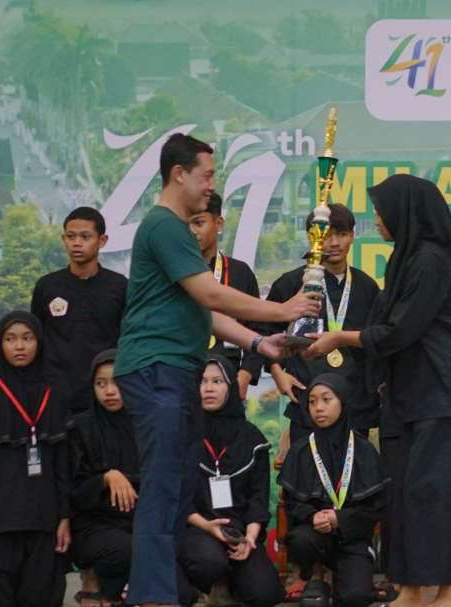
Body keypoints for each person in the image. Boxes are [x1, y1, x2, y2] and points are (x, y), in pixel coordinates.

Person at [114, 133, 319, 607]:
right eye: (206, 175)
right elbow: (210, 294)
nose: (212, 185)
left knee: (176, 488)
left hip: (176, 371)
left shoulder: (174, 230)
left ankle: (155, 592)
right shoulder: (165, 226)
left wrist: (258, 341)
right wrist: (282, 310)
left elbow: (201, 312)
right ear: (178, 174)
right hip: (156, 369)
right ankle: (152, 597)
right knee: (164, 489)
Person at [303, 174, 451, 607]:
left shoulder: (430, 260)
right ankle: (407, 588)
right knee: (403, 492)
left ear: (406, 214)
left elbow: (399, 330)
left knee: (433, 492)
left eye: (383, 212)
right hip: (408, 395)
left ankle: (447, 591)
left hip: (446, 394)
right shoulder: (403, 260)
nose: (378, 221)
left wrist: (339, 337)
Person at [260, 203, 380, 439]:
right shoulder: (291, 283)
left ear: (352, 236)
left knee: (353, 474)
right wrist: (277, 372)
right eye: (325, 236)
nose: (333, 243)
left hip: (356, 406)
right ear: (311, 237)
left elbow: (377, 341)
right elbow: (263, 334)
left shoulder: (368, 287)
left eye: (341, 234)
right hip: (306, 401)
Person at [0, 311, 73, 606]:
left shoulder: (54, 394)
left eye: (27, 338)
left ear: (39, 343)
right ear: (0, 345)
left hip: (44, 524)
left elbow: (63, 463)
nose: (19, 346)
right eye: (10, 339)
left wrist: (65, 517)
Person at [177, 356, 284, 607]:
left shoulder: (251, 437)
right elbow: (178, 498)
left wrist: (249, 537)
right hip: (196, 527)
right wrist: (206, 526)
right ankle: (204, 582)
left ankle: (228, 581)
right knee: (208, 560)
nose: (209, 388)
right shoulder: (182, 432)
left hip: (238, 530)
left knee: (264, 593)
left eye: (217, 381)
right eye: (202, 381)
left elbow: (258, 497)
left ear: (231, 388)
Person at [278, 374, 389, 607]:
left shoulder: (363, 451)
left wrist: (340, 518)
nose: (318, 408)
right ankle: (316, 577)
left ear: (343, 402)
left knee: (355, 597)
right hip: (315, 535)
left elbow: (376, 508)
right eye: (312, 401)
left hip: (353, 538)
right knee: (300, 539)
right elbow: (291, 501)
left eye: (326, 400)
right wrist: (312, 515)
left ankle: (344, 578)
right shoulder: (301, 450)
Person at [31, 206, 127, 414]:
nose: (76, 243)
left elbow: (128, 339)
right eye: (70, 236)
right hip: (56, 395)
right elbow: (36, 338)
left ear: (102, 241)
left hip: (105, 394)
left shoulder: (119, 286)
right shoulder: (47, 286)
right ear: (63, 238)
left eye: (85, 237)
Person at [69, 349, 139, 607]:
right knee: (124, 548)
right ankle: (100, 587)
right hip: (93, 525)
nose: (109, 391)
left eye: (117, 382)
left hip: (135, 520)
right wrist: (105, 479)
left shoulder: (142, 425)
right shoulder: (80, 427)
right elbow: (72, 492)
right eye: (101, 383)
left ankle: (112, 589)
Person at [189, 192, 264, 399]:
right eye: (184, 225)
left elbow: (257, 328)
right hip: (184, 377)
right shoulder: (173, 275)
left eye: (199, 223)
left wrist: (245, 376)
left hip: (230, 377)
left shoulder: (240, 273)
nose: (191, 231)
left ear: (219, 223)